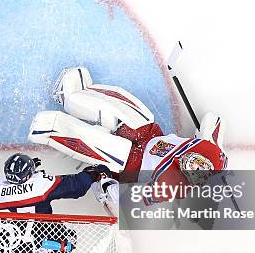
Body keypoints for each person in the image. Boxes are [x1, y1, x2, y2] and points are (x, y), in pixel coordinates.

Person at [28, 67, 228, 203]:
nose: (190, 162)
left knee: (113, 149)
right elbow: (214, 121)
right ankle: (75, 94)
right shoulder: (212, 154)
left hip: (132, 164)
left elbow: (130, 197)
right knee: (132, 113)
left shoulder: (171, 188)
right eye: (196, 161)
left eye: (191, 168)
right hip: (150, 137)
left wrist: (107, 187)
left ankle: (51, 128)